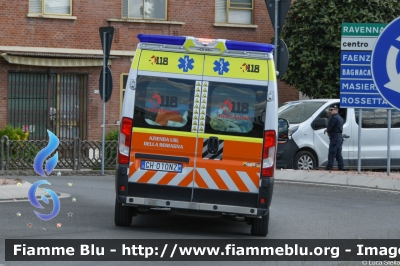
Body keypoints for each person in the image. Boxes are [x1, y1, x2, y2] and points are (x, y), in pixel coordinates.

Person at [324, 104, 344, 171]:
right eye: (329, 110)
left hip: (335, 137)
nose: (330, 111)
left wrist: (328, 131)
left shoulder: (334, 118)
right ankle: (341, 167)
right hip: (339, 137)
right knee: (338, 154)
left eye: (331, 110)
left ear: (336, 110)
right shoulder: (340, 118)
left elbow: (330, 128)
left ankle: (329, 167)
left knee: (332, 153)